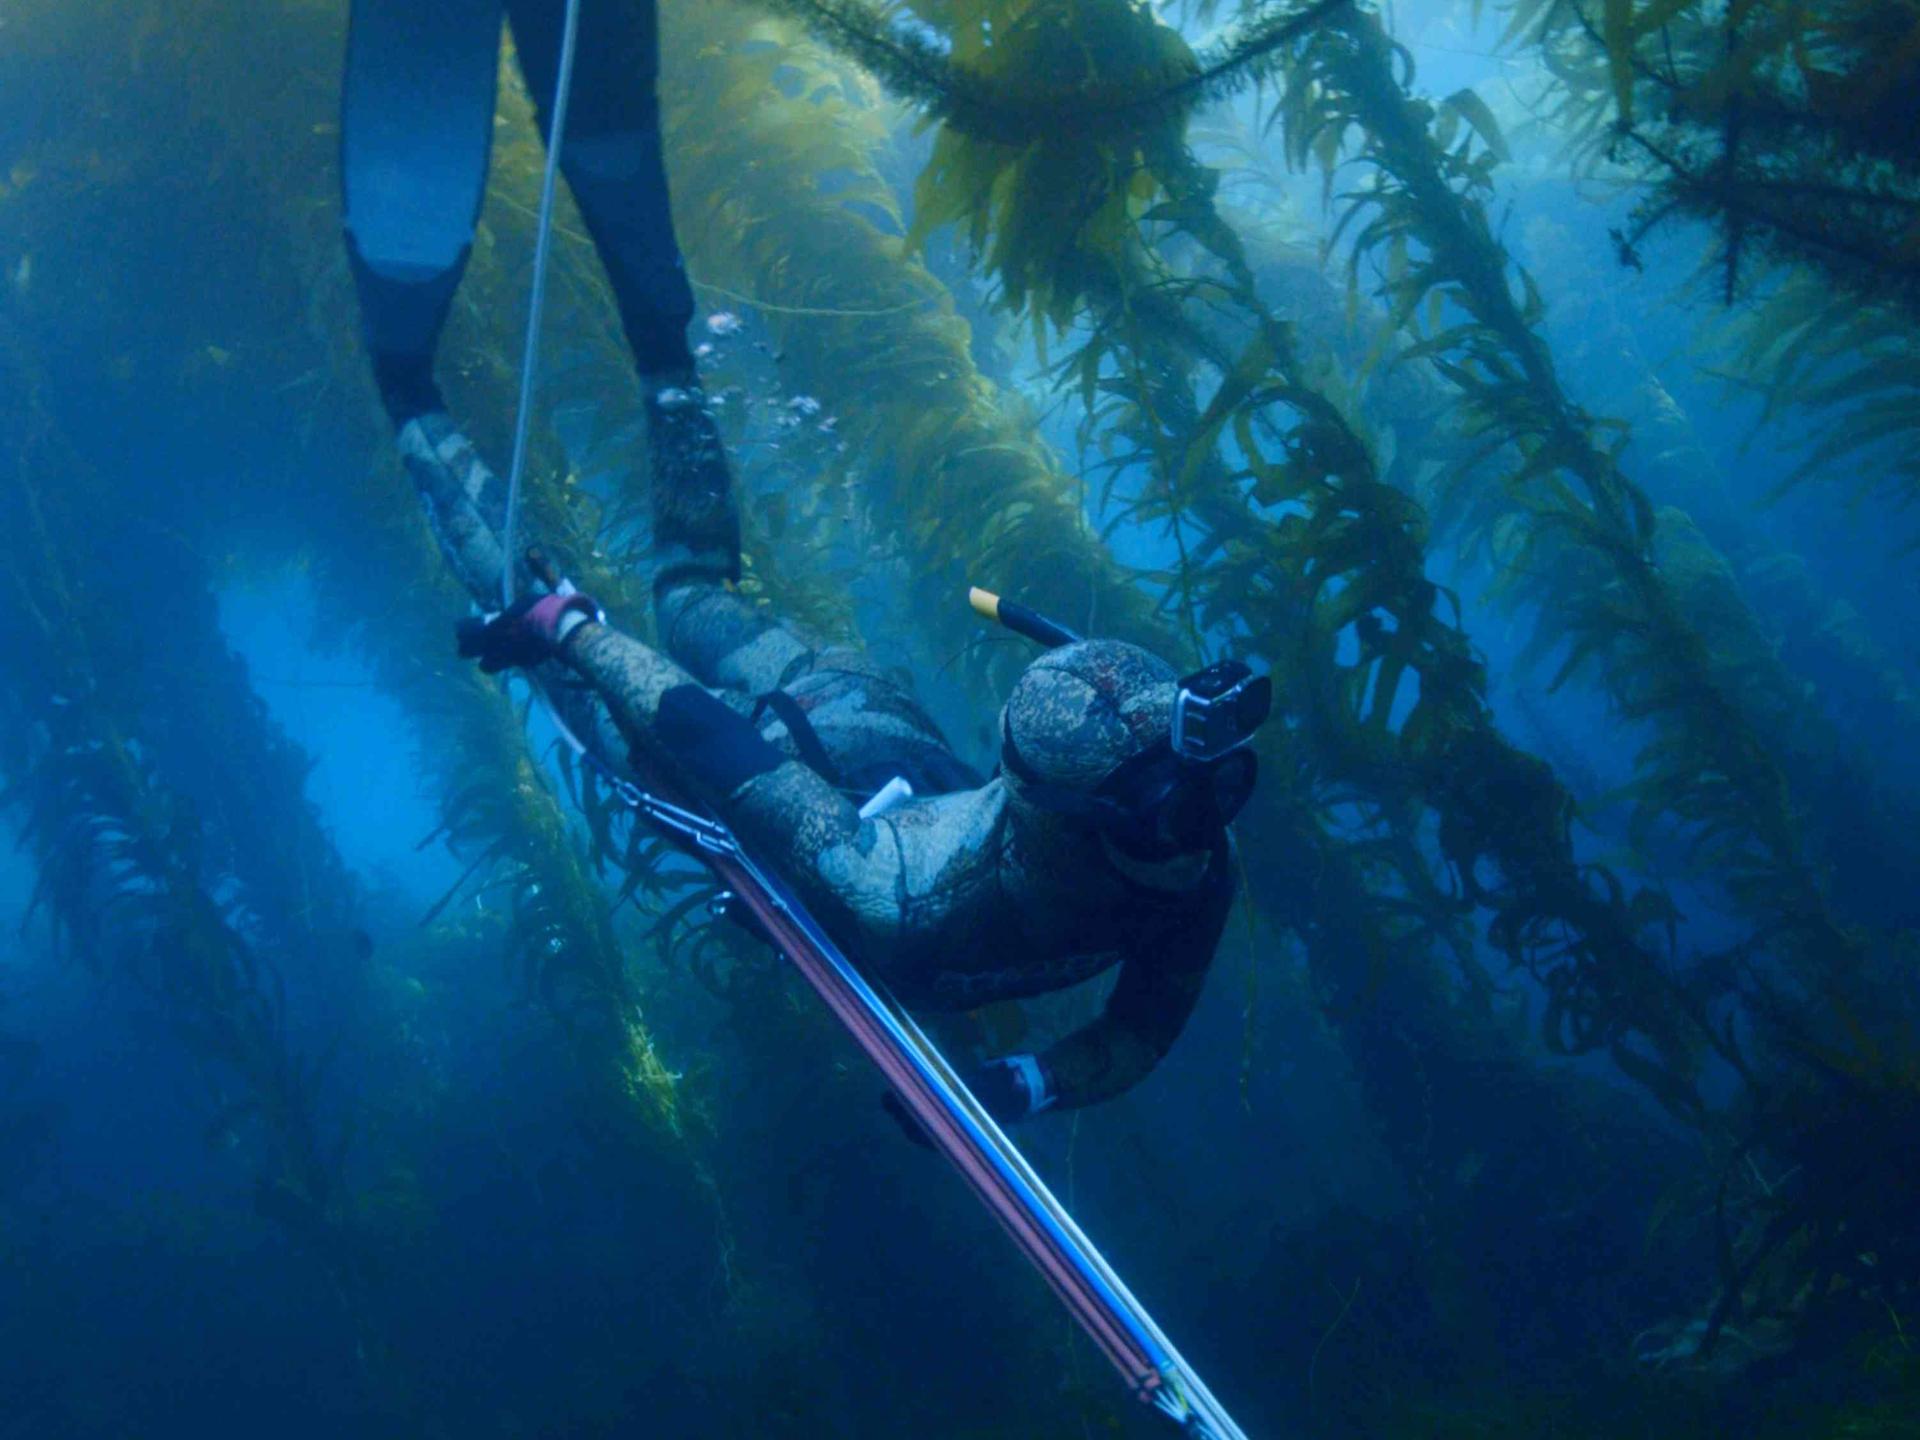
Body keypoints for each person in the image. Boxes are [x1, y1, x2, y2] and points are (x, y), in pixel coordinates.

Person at [344, 0, 1264, 1124]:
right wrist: (573, 632)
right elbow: (712, 742)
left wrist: (1023, 1083)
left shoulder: (1191, 854)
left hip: (874, 738)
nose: (1192, 829)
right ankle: (424, 410)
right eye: (1169, 807)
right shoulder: (910, 900)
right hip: (818, 789)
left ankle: (656, 359)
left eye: (1197, 793)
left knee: (686, 597)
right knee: (583, 655)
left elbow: (1138, 1029)